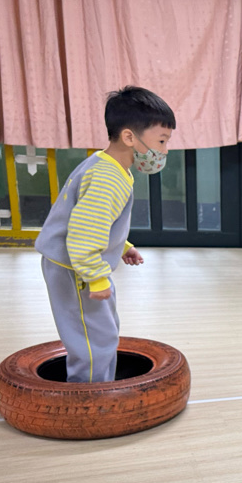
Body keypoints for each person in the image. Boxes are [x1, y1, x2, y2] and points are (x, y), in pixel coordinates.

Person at [36, 87, 174, 383]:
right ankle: (88, 399)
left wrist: (121, 246)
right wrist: (95, 277)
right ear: (129, 137)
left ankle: (100, 385)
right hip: (76, 267)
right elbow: (83, 236)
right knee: (91, 340)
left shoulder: (106, 164)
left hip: (78, 264)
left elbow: (93, 221)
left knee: (103, 330)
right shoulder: (107, 179)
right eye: (162, 141)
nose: (163, 151)